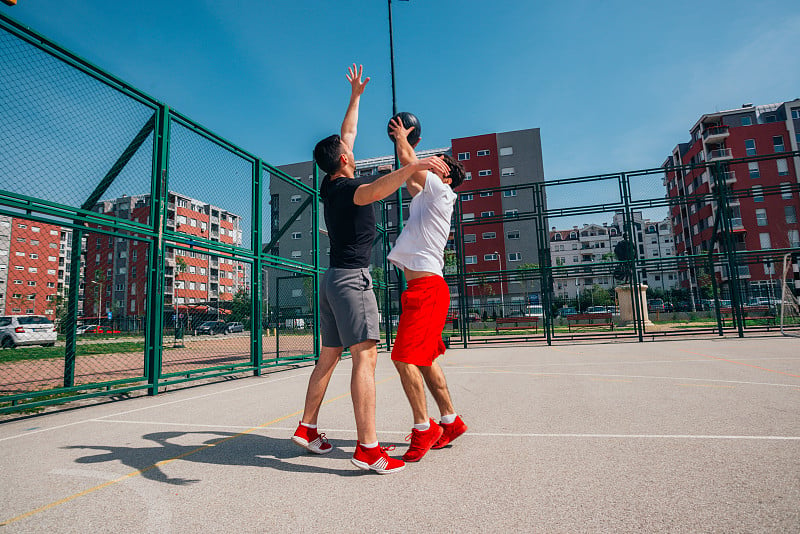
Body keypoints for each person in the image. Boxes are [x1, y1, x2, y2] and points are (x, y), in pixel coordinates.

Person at [291, 64, 450, 475]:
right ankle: (368, 449)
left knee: (327, 359)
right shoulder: (347, 189)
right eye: (350, 151)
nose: (353, 147)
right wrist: (415, 166)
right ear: (344, 161)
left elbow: (347, 134)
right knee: (366, 358)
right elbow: (378, 190)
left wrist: (356, 97)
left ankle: (307, 428)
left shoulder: (329, 182)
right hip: (351, 281)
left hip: (330, 282)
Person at [386, 116, 468, 463]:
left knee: (403, 358)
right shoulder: (426, 194)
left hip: (427, 291)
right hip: (424, 289)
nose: (436, 162)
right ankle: (450, 421)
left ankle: (424, 429)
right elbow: (408, 173)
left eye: (441, 163)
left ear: (446, 176)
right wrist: (407, 146)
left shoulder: (441, 190)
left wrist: (403, 139)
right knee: (424, 359)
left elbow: (409, 164)